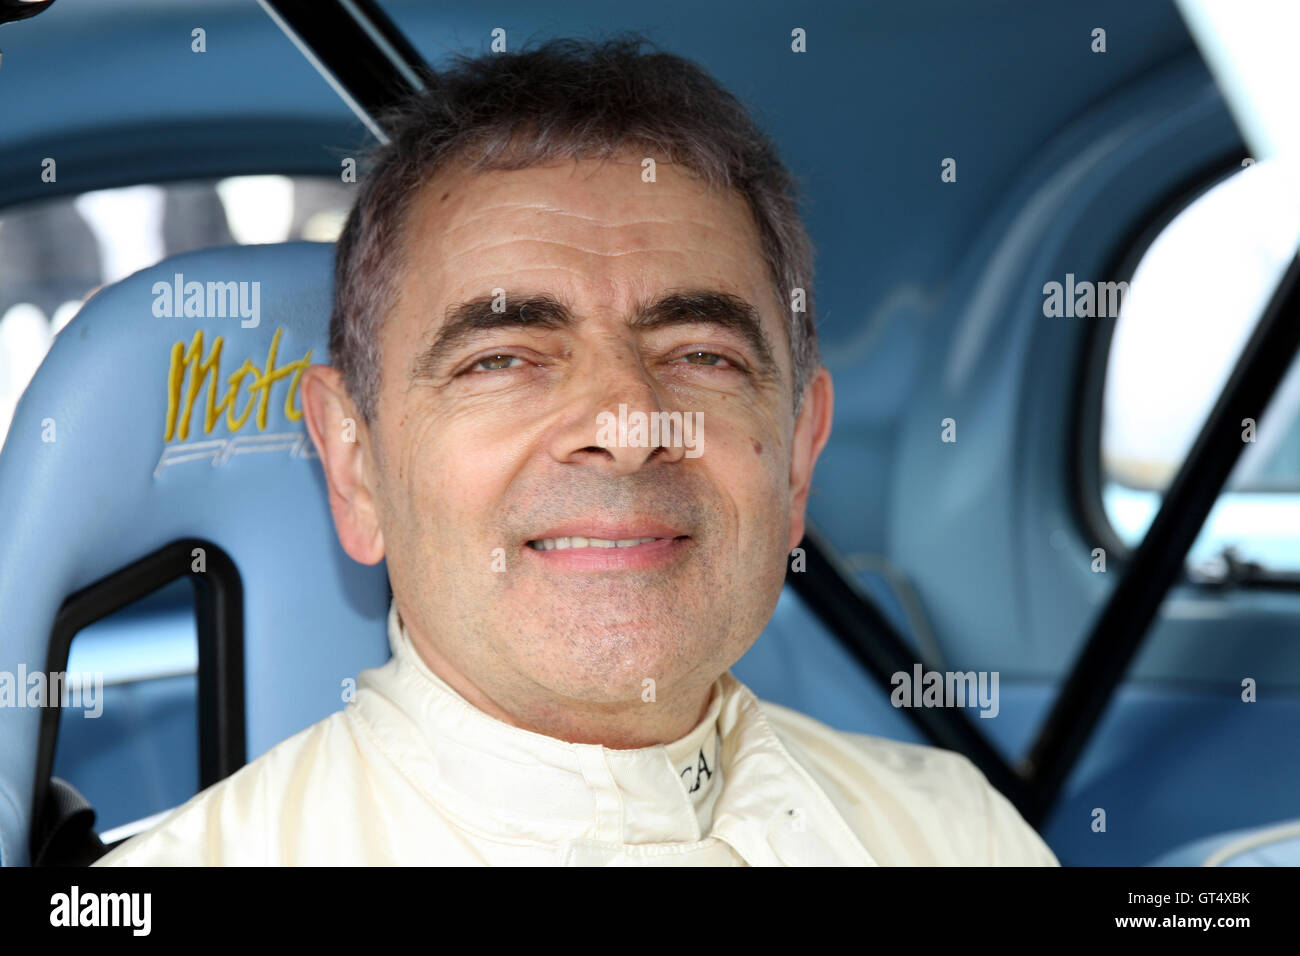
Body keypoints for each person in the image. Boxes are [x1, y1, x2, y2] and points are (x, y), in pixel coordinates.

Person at [96, 36, 1058, 866]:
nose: (629, 426)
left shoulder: (957, 834)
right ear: (355, 462)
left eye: (700, 355)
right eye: (503, 358)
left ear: (799, 453)